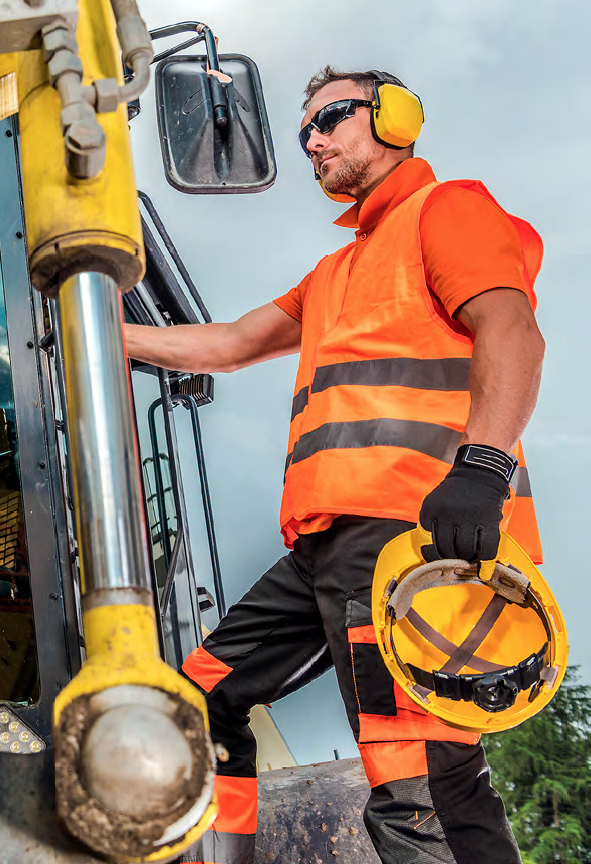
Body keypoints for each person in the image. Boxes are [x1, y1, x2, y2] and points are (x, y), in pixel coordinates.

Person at [124, 66, 545, 864]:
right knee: (197, 697)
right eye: (304, 131)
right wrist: (101, 335)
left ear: (395, 117)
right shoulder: (337, 272)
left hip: (417, 540)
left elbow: (512, 331)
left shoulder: (446, 210)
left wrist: (482, 468)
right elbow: (228, 345)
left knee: (420, 781)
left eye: (331, 118)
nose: (312, 141)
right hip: (326, 547)